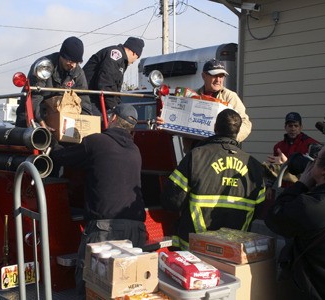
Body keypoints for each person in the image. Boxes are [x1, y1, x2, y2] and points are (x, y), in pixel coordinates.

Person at [50, 103, 146, 299]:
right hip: (136, 229)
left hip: (105, 229)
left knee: (92, 286)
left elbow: (61, 157)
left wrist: (52, 139)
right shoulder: (135, 150)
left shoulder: (96, 142)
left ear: (111, 118)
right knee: (126, 289)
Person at [265, 142, 325, 299]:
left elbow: (274, 217)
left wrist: (302, 184)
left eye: (315, 159)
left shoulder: (313, 206)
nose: (310, 163)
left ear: (324, 169)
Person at [160, 109, 266, 250]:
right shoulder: (254, 166)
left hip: (195, 251)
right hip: (233, 254)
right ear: (238, 131)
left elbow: (171, 201)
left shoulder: (196, 157)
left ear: (215, 127)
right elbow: (259, 209)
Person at [15, 36, 92, 129]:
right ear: (62, 56)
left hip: (59, 118)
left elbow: (84, 99)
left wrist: (86, 124)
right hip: (31, 115)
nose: (73, 65)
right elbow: (35, 96)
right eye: (70, 61)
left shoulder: (78, 72)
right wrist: (40, 121)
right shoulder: (43, 66)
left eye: (77, 62)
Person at [83, 37, 145, 116]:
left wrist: (119, 107)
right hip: (88, 98)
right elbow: (106, 82)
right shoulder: (116, 54)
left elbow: (115, 89)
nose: (133, 62)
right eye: (136, 58)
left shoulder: (121, 60)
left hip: (95, 98)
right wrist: (114, 107)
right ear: (134, 53)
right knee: (103, 124)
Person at [197, 59, 252, 142]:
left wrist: (230, 140)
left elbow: (246, 123)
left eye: (221, 76)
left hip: (221, 150)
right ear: (204, 76)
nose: (218, 80)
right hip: (196, 150)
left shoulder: (230, 96)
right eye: (214, 75)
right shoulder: (192, 95)